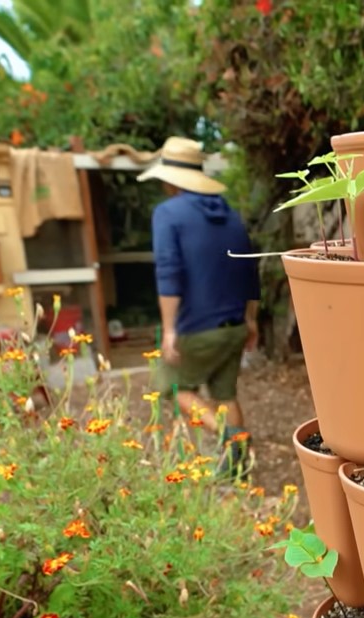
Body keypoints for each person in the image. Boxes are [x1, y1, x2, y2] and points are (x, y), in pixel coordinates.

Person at [138, 136, 260, 471]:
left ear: (168, 180)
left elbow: (169, 271)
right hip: (234, 325)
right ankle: (239, 469)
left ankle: (234, 440)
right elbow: (250, 268)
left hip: (197, 328)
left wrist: (168, 330)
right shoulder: (231, 215)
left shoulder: (168, 214)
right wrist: (251, 320)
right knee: (225, 394)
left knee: (174, 388)